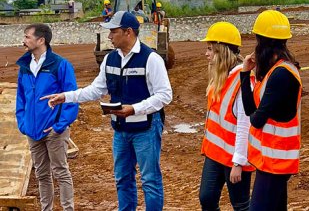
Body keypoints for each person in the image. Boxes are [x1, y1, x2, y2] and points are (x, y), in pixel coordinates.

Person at [41, 11, 172, 211]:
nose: (109, 36)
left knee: (150, 181)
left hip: (145, 129)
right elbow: (96, 89)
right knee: (122, 178)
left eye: (113, 31)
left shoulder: (151, 59)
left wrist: (134, 109)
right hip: (120, 130)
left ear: (128, 32)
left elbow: (164, 95)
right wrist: (66, 96)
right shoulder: (110, 59)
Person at [240, 10, 302, 211]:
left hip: (276, 162)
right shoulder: (273, 72)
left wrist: (255, 116)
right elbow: (251, 110)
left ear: (263, 41)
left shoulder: (281, 75)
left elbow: (256, 120)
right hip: (269, 161)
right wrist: (244, 73)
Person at [15, 23, 79, 211]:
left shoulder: (60, 64)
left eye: (27, 37)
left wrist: (59, 126)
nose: (24, 40)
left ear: (40, 40)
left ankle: (68, 209)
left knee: (61, 172)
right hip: (33, 131)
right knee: (42, 174)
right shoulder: (25, 66)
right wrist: (23, 123)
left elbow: (71, 97)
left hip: (54, 131)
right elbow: (21, 97)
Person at [199, 22, 255, 211]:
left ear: (222, 51)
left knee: (240, 205)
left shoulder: (241, 80)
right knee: (206, 198)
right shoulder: (220, 77)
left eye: (210, 49)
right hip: (215, 154)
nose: (206, 53)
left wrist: (238, 162)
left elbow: (244, 125)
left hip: (234, 157)